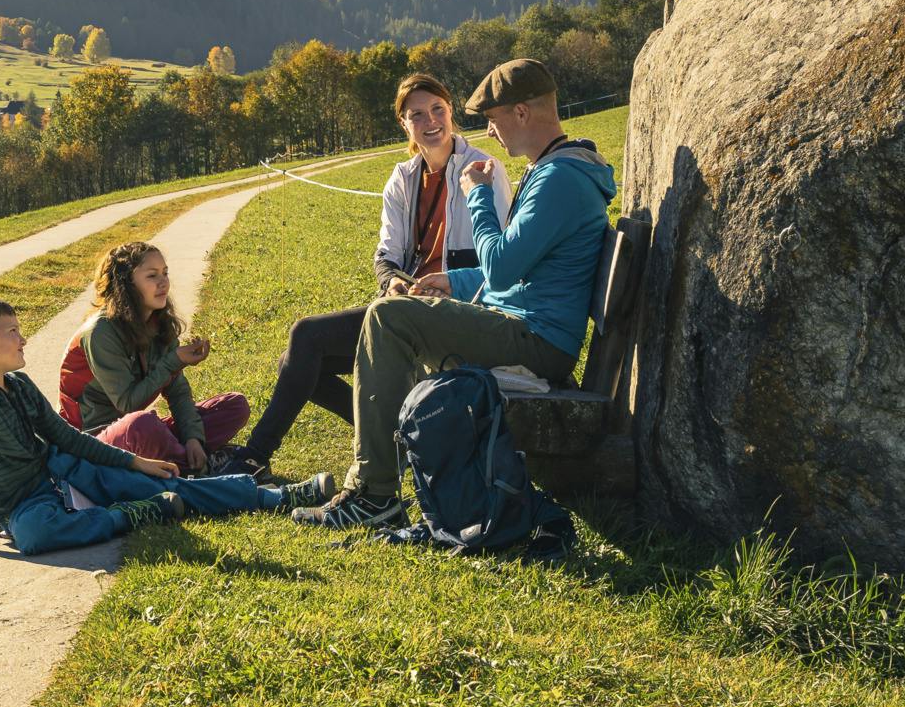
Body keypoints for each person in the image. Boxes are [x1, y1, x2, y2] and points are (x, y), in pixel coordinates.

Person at [294, 58, 615, 531]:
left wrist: (477, 194)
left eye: (494, 119)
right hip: (526, 325)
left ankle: (375, 493)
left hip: (537, 340)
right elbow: (523, 268)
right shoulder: (552, 171)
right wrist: (454, 282)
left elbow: (502, 269)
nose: (490, 132)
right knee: (395, 313)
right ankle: (391, 474)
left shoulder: (559, 179)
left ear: (521, 113)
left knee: (387, 317)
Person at [213, 73, 483, 483]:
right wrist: (391, 283)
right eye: (417, 115)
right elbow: (386, 255)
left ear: (450, 110)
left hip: (455, 310)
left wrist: (449, 283)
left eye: (438, 109)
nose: (430, 121)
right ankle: (394, 439)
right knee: (299, 360)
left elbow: (497, 260)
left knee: (306, 336)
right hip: (405, 307)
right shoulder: (403, 177)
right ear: (403, 124)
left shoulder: (480, 169)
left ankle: (255, 456)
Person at [0, 297, 309, 559]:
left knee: (168, 484)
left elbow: (65, 438)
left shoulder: (18, 384)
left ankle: (275, 497)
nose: (23, 339)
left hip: (63, 474)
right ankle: (130, 516)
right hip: (23, 503)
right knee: (34, 535)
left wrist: (135, 462)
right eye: (12, 332)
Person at [57, 241, 251, 475]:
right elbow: (128, 404)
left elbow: (177, 392)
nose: (163, 282)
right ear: (126, 284)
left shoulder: (157, 323)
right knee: (142, 424)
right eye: (152, 275)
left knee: (234, 405)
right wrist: (173, 362)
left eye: (165, 273)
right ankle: (200, 470)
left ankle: (190, 457)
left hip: (139, 434)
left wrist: (193, 438)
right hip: (94, 443)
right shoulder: (100, 332)